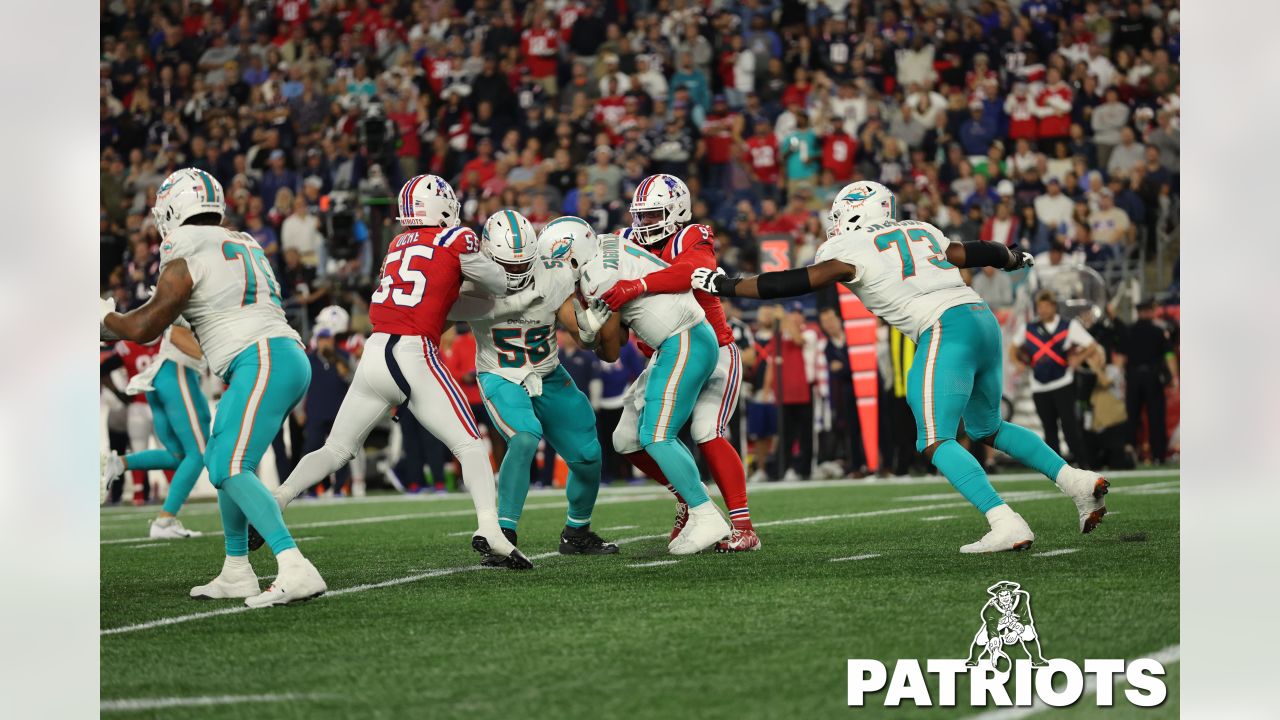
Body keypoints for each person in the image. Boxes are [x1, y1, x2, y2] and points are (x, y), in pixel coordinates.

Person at [692, 180, 1110, 554]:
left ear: (855, 213)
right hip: (981, 319)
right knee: (986, 427)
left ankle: (1005, 522)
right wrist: (1011, 257)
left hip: (945, 328)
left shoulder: (846, 248)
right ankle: (1075, 481)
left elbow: (791, 282)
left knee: (933, 438)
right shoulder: (918, 228)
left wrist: (726, 284)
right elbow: (969, 252)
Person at [272, 174, 531, 569]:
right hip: (414, 352)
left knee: (337, 449)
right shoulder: (455, 238)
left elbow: (436, 295)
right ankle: (490, 529)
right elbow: (497, 283)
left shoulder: (396, 243)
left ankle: (278, 498)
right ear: (441, 206)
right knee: (470, 446)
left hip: (375, 351)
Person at [100, 167, 325, 607]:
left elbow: (146, 326)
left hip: (261, 358)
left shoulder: (181, 243)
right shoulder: (243, 239)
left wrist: (104, 321)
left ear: (172, 209)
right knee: (225, 455)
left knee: (226, 466)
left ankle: (294, 565)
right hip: (276, 357)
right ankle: (236, 570)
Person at [596, 174, 758, 552]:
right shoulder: (622, 242)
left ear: (677, 211)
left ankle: (743, 526)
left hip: (713, 349)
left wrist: (636, 286)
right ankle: (689, 497)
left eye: (654, 215)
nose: (644, 224)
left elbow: (689, 273)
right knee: (625, 439)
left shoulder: (692, 235)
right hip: (665, 354)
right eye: (641, 216)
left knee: (706, 430)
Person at [448, 211, 618, 566]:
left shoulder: (553, 272)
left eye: (522, 263)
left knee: (588, 454)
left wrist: (589, 330)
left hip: (548, 372)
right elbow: (437, 318)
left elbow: (582, 336)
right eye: (507, 265)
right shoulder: (468, 280)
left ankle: (577, 533)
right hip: (501, 374)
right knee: (525, 436)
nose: (515, 273)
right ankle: (502, 536)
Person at [557, 223, 731, 555]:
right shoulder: (607, 245)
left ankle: (705, 513)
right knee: (626, 438)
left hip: (683, 339)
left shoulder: (597, 278)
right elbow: (621, 332)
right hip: (677, 340)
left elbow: (610, 351)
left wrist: (587, 333)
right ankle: (693, 502)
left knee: (657, 435)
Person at [99, 324, 211, 538]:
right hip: (177, 374)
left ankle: (120, 463)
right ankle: (164, 521)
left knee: (179, 455)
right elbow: (193, 348)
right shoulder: (179, 308)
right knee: (199, 453)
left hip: (157, 379)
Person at [1012, 291, 1102, 468]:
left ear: (1054, 307)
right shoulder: (1028, 328)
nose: (1043, 310)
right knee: (1049, 429)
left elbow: (1091, 345)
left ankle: (1084, 465)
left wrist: (1078, 358)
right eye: (1040, 306)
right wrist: (1017, 363)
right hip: (1039, 386)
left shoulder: (1068, 326)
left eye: (1046, 306)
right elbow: (1013, 348)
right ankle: (1056, 469)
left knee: (1070, 427)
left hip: (1063, 383)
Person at [1117, 299, 1179, 465]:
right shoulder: (1159, 331)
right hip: (1153, 377)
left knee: (1131, 417)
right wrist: (1174, 377)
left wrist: (1119, 379)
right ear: (1151, 311)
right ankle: (1158, 455)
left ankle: (1130, 453)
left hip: (1133, 378)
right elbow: (1169, 356)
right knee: (1156, 417)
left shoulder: (1128, 331)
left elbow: (1121, 358)